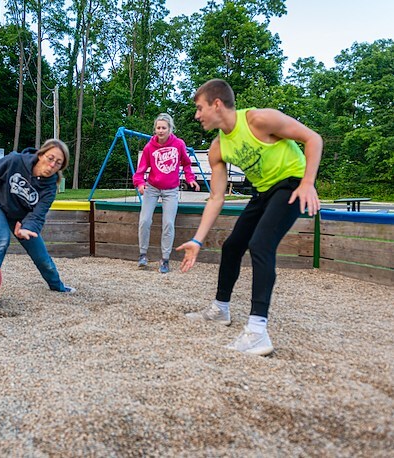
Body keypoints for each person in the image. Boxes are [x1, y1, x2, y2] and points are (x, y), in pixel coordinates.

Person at [176, 79, 322, 356]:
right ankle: (220, 309)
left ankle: (257, 331)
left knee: (261, 244)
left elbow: (313, 138)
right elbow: (216, 197)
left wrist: (307, 182)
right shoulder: (218, 147)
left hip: (292, 183)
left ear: (216, 104)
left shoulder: (259, 120)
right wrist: (197, 239)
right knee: (232, 246)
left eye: (199, 108)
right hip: (264, 191)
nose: (197, 115)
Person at [0, 138, 76, 310]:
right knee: (2, 239)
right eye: (50, 158)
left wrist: (27, 228)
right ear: (40, 154)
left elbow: (38, 213)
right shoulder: (15, 160)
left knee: (42, 258)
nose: (52, 165)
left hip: (20, 219)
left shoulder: (50, 187)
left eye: (58, 163)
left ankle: (57, 286)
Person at [133, 113, 200, 274]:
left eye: (164, 128)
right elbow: (140, 171)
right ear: (155, 129)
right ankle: (143, 255)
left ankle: (165, 259)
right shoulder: (149, 147)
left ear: (170, 129)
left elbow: (186, 163)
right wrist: (140, 183)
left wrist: (190, 178)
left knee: (168, 223)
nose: (160, 131)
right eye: (158, 128)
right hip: (152, 188)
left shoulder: (178, 144)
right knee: (145, 220)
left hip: (170, 189)